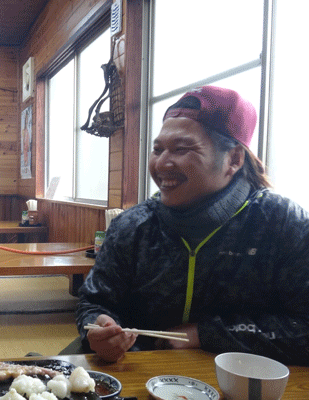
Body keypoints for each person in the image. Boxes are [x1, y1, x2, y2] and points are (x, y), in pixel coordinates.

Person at [74, 85, 309, 365]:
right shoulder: (132, 225)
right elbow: (94, 301)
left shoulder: (281, 223)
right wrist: (99, 327)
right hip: (140, 378)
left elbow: (303, 328)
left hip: (246, 390)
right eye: (158, 149)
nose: (162, 164)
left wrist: (206, 334)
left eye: (181, 149)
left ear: (233, 159)